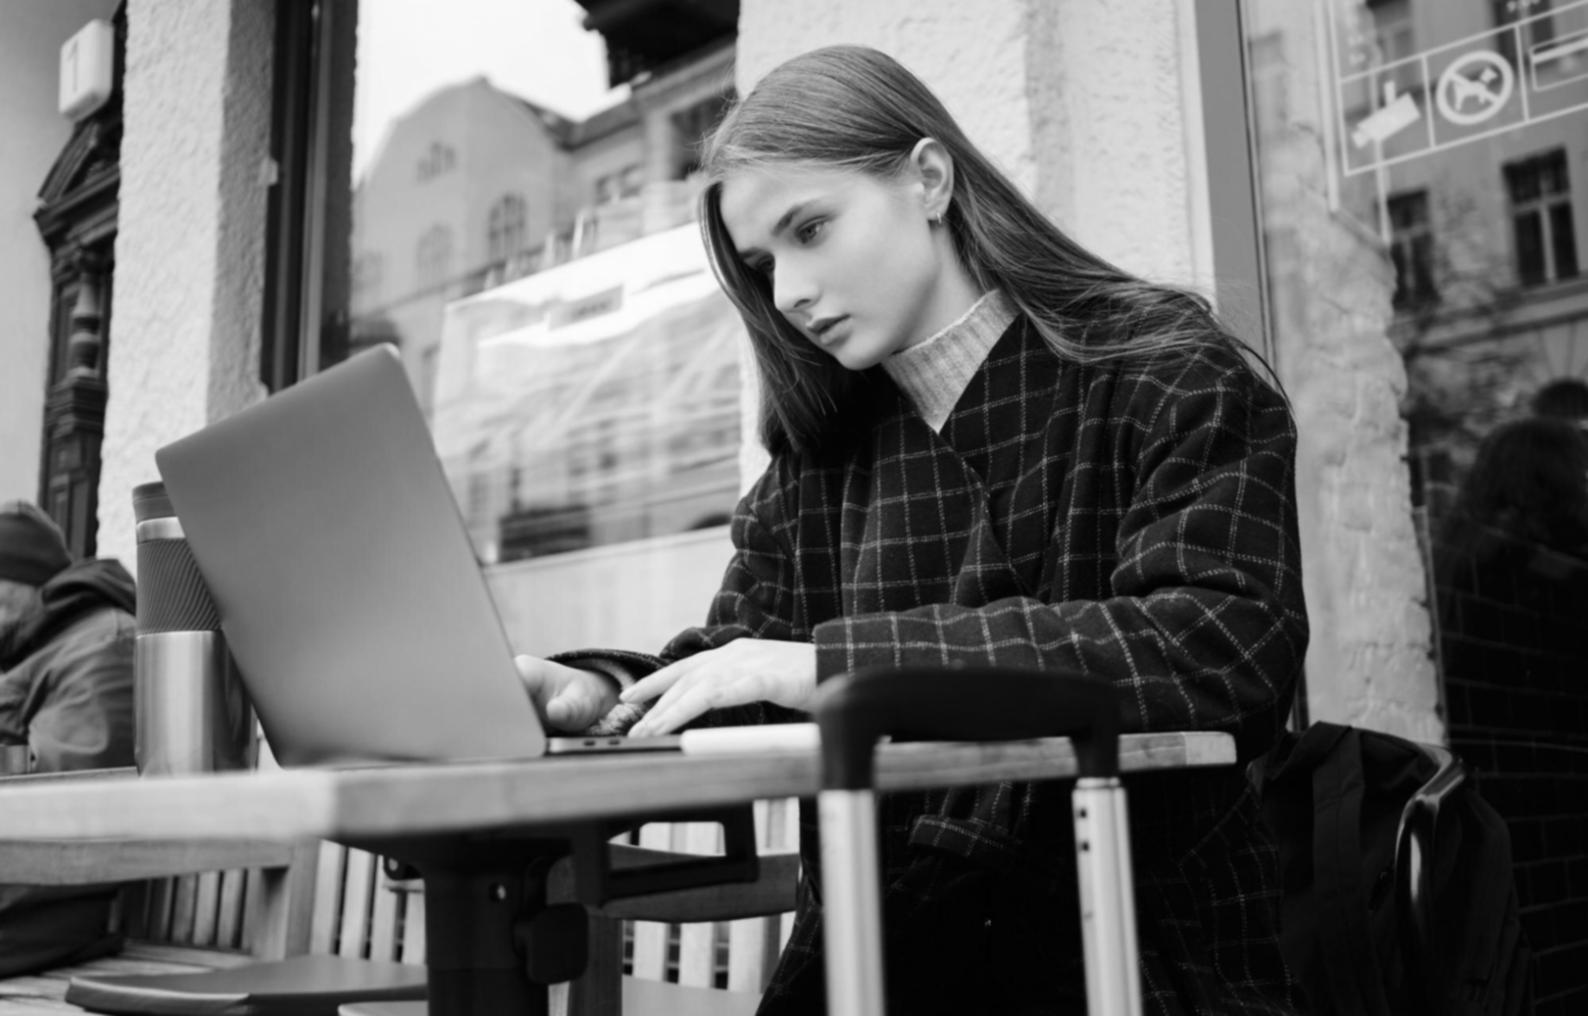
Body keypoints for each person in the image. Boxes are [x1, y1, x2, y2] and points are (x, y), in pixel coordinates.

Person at [516, 45, 1307, 1015]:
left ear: (929, 178)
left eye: (811, 228)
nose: (790, 293)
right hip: (885, 958)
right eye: (764, 264)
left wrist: (831, 667)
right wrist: (600, 692)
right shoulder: (820, 459)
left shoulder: (1162, 367)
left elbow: (1221, 640)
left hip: (1134, 956)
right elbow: (737, 669)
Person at [0, 500, 136, 975]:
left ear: (20, 582)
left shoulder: (101, 644)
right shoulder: (34, 650)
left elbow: (66, 818)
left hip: (41, 911)